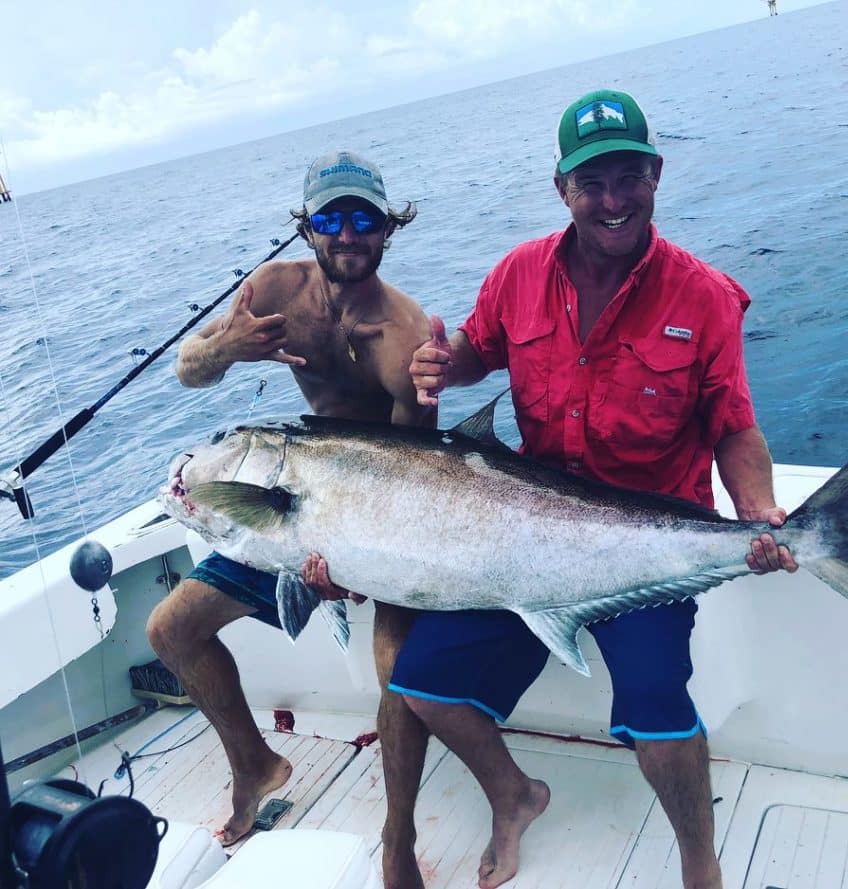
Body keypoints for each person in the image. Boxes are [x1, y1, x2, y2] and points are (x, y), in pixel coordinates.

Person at [401, 89, 797, 889]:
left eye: (628, 177)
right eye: (593, 183)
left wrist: (758, 511)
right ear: (562, 189)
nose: (612, 200)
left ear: (655, 174)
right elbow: (481, 347)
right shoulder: (518, 274)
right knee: (422, 683)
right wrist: (446, 364)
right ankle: (513, 795)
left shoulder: (705, 295)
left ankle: (700, 862)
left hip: (643, 545)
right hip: (519, 534)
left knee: (657, 713)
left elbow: (733, 426)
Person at [146, 150, 432, 888]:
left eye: (363, 218)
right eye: (331, 217)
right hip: (299, 507)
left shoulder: (404, 336)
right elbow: (187, 367)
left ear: (386, 228)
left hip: (374, 511)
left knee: (398, 671)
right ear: (307, 228)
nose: (347, 234)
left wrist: (351, 561)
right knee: (170, 629)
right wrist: (226, 347)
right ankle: (256, 766)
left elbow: (415, 470)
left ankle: (396, 838)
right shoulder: (274, 291)